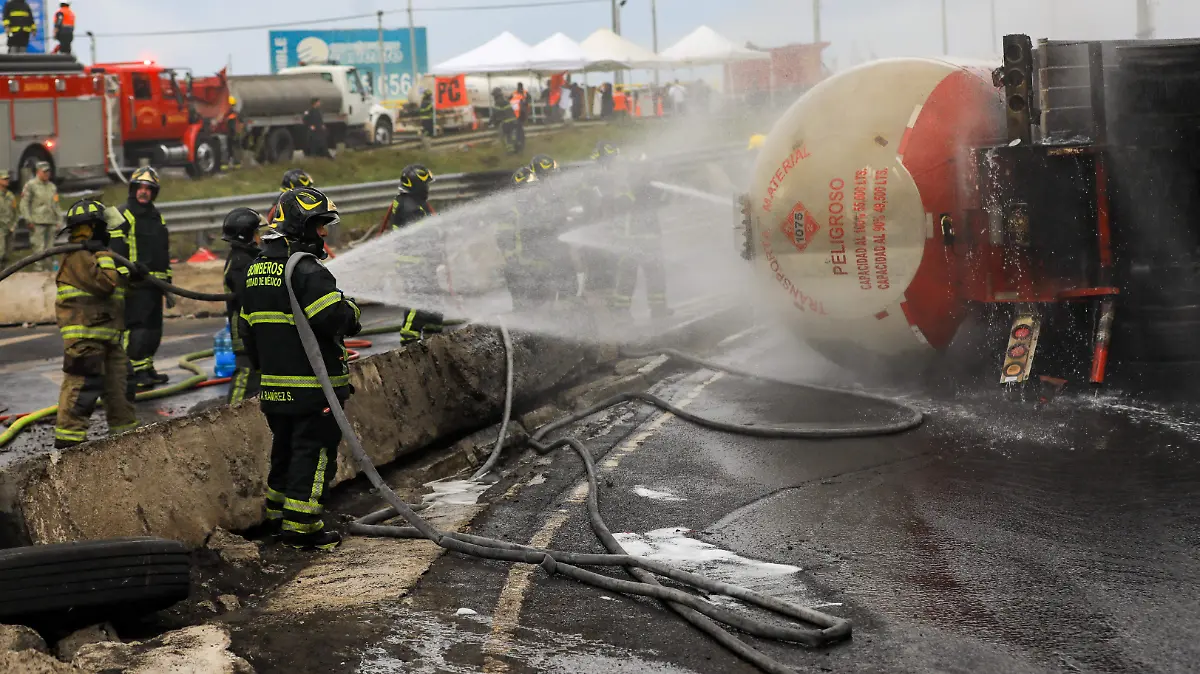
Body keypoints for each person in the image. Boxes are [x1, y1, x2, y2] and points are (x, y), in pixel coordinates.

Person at [237, 186, 361, 552]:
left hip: (275, 388)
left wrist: (268, 370)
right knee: (315, 452)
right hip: (313, 389)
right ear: (301, 225)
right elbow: (334, 318)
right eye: (319, 225)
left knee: (286, 449)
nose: (324, 233)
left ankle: (278, 516)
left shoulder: (258, 268)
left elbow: (246, 329)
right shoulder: (306, 270)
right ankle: (303, 528)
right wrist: (352, 310)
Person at [52, 199, 138, 448]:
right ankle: (68, 449)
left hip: (108, 337)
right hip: (86, 338)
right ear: (90, 228)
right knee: (82, 391)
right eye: (102, 227)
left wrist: (133, 276)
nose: (107, 233)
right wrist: (103, 254)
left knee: (121, 391)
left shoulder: (92, 254)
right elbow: (105, 285)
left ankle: (127, 444)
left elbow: (117, 286)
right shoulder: (78, 255)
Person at [110, 166, 172, 389]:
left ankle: (146, 367)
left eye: (149, 188)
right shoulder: (120, 214)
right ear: (133, 189)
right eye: (140, 188)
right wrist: (127, 276)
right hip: (134, 286)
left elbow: (163, 251)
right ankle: (132, 372)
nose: (144, 192)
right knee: (138, 329)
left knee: (154, 330)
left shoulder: (157, 217)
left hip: (155, 285)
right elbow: (114, 251)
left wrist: (168, 283)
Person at [387, 164, 443, 341]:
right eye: (425, 184)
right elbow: (423, 237)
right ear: (417, 185)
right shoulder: (412, 208)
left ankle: (435, 337)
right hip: (415, 262)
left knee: (433, 300)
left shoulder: (407, 201)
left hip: (420, 261)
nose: (427, 188)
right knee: (418, 301)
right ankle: (409, 337)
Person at [610, 157, 669, 319]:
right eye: (644, 169)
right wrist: (635, 192)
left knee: (656, 274)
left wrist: (659, 189)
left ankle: (659, 309)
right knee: (628, 275)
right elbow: (620, 205)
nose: (647, 172)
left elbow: (665, 200)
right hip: (631, 238)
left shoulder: (652, 186)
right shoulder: (626, 186)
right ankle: (622, 311)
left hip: (651, 237)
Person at [221, 207, 264, 405]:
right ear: (246, 235)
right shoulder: (240, 263)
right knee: (245, 372)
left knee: (257, 373)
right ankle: (231, 414)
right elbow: (250, 295)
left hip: (251, 326)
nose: (259, 238)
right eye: (256, 233)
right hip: (244, 328)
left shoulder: (244, 257)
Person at [580, 141, 625, 305]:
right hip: (597, 223)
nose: (615, 162)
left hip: (602, 221)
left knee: (606, 261)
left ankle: (603, 292)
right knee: (599, 260)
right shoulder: (597, 174)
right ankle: (596, 296)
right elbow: (599, 201)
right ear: (605, 159)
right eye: (612, 158)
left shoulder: (599, 172)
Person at [19, 160, 60, 272]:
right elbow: (24, 204)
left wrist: (59, 220)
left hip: (51, 221)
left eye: (48, 172)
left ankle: (50, 272)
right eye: (44, 172)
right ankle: (38, 271)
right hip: (37, 222)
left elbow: (56, 204)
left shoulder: (52, 186)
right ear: (38, 172)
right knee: (39, 249)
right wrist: (28, 219)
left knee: (51, 249)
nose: (47, 174)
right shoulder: (31, 185)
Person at [491, 88, 518, 154]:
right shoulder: (505, 100)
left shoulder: (498, 102)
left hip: (506, 122)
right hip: (513, 120)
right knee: (513, 135)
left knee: (507, 136)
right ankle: (517, 148)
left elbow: (496, 113)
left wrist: (493, 122)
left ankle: (510, 151)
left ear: (495, 95)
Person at [0, 170, 16, 266]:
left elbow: (15, 212)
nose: (7, 180)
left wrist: (13, 225)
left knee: (7, 254)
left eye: (7, 179)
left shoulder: (10, 196)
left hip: (9, 228)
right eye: (4, 179)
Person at [509, 84, 528, 152]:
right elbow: (523, 108)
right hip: (518, 117)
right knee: (519, 133)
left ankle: (516, 146)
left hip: (511, 117)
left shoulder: (513, 95)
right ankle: (520, 146)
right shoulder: (521, 97)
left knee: (514, 133)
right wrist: (525, 118)